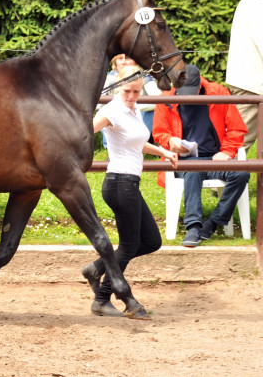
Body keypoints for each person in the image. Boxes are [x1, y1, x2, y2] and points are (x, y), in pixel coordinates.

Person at [80, 65, 177, 317]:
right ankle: (102, 299)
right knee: (129, 245)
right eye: (126, 91)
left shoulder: (132, 111)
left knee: (151, 242)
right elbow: (84, 131)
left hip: (128, 184)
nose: (131, 96)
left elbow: (137, 141)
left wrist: (163, 152)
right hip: (119, 183)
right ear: (117, 87)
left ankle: (97, 268)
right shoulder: (112, 110)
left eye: (135, 91)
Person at [153, 64, 250, 247]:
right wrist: (170, 141)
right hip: (182, 160)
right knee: (194, 169)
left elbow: (237, 129)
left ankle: (213, 222)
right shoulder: (165, 98)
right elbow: (159, 133)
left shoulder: (219, 92)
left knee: (241, 174)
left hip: (214, 158)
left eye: (192, 92)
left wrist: (227, 152)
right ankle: (193, 227)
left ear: (200, 86)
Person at [226, 0, 263, 152]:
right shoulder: (257, 6)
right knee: (239, 143)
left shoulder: (253, 1)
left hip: (250, 82)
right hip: (252, 85)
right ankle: (222, 178)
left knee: (239, 141)